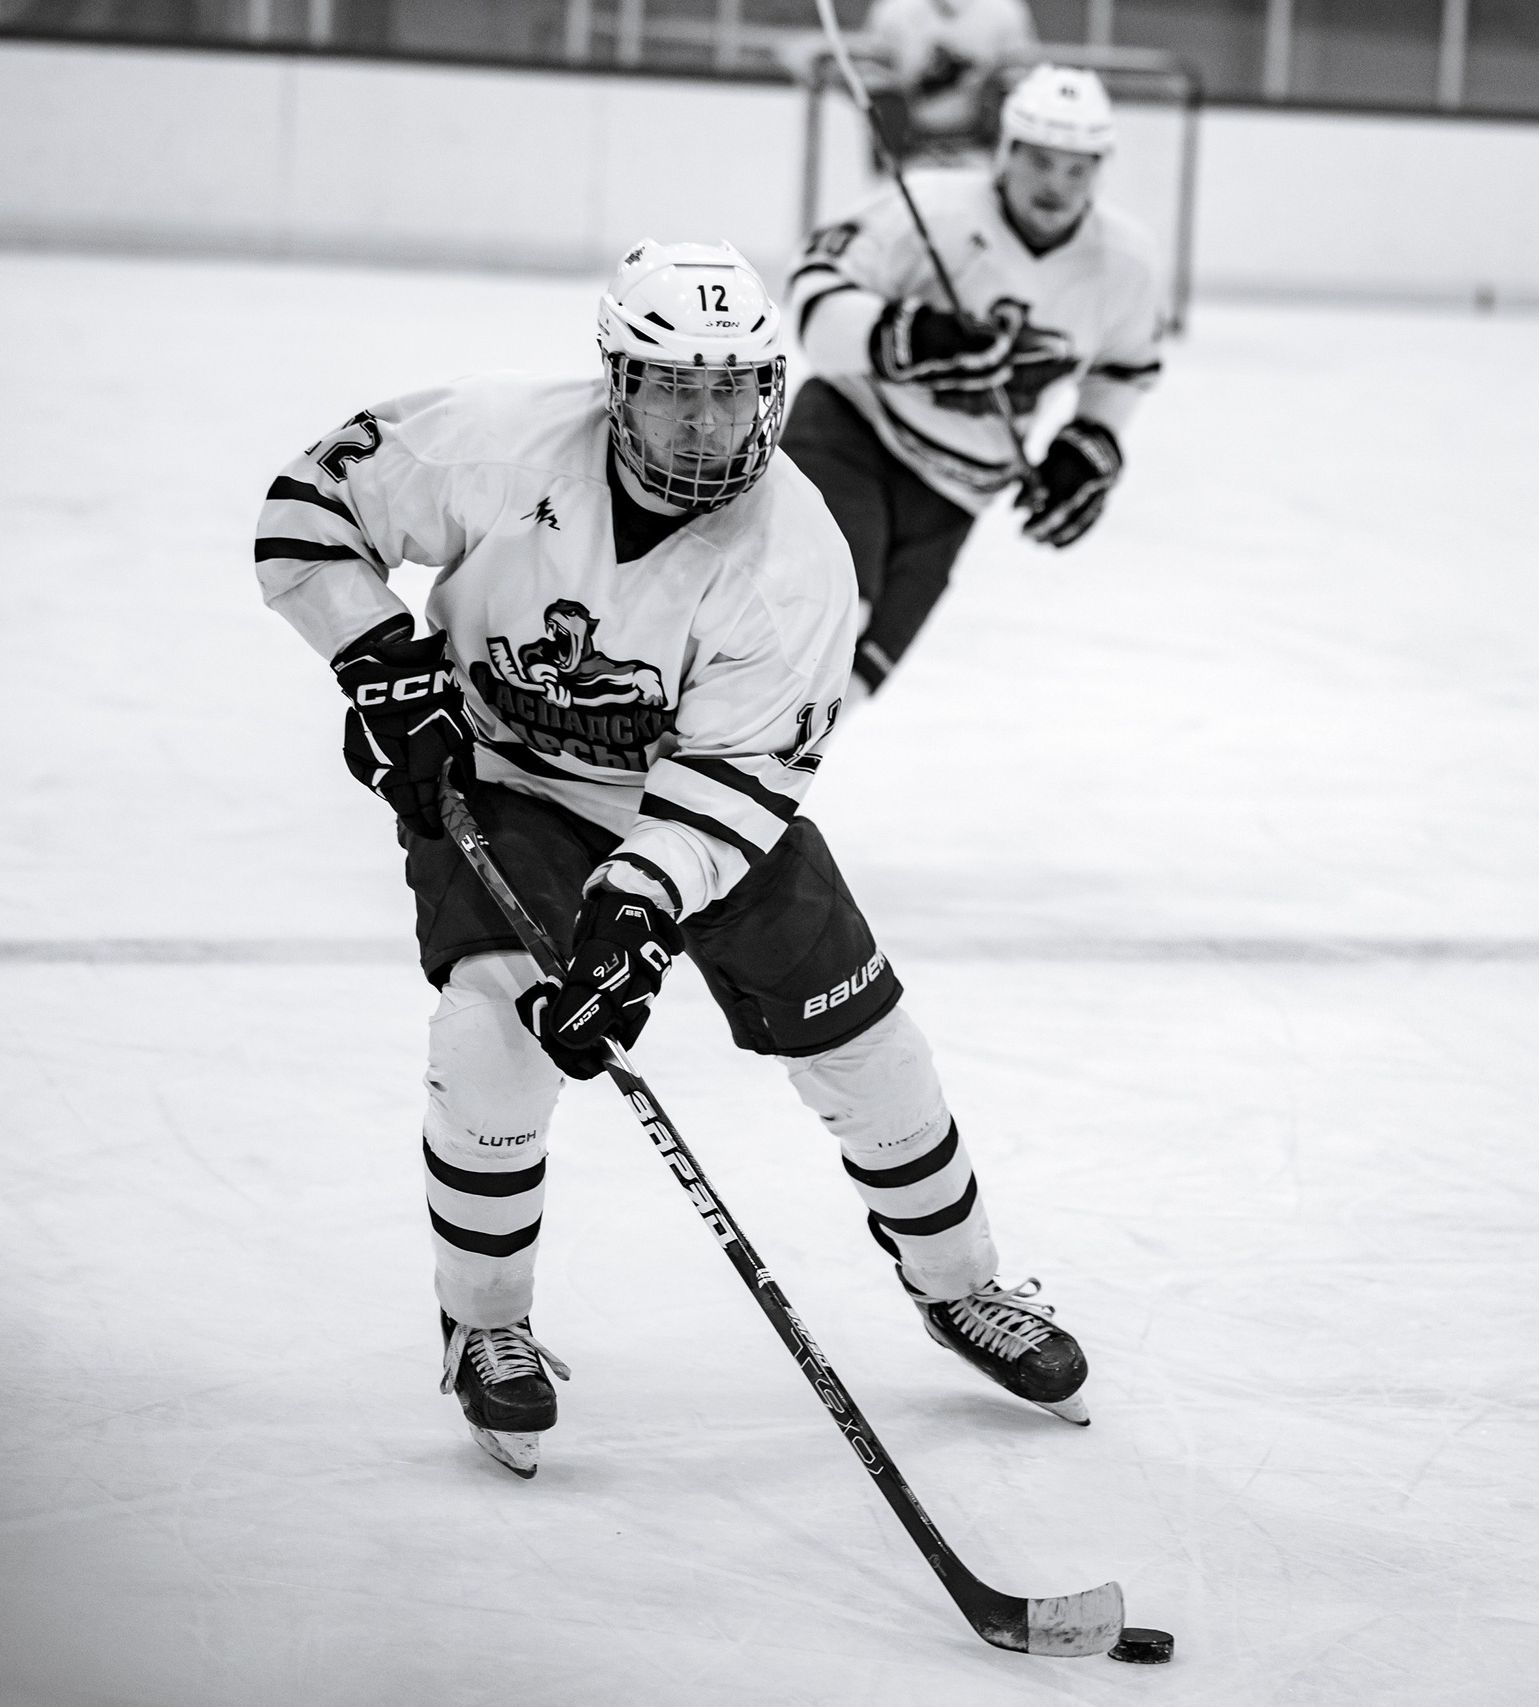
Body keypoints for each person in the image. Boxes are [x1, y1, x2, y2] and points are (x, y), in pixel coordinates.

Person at [251, 240, 1091, 1480]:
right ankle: (487, 1328)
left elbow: (738, 782)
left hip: (694, 810)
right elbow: (307, 507)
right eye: (673, 387)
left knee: (866, 1041)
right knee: (497, 1031)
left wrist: (637, 914)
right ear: (616, 381)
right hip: (509, 782)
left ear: (771, 390)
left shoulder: (798, 557)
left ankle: (962, 1288)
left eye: (732, 388)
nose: (706, 422)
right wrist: (377, 660)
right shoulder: (492, 439)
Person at [782, 64, 1165, 701]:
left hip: (958, 495)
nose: (1056, 187)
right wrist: (899, 335)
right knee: (814, 630)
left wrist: (1091, 438)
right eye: (1041, 161)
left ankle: (756, 799)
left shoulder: (1125, 262)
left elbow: (1123, 366)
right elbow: (813, 299)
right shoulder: (930, 207)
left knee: (855, 681)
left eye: (1078, 169)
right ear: (1006, 152)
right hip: (851, 434)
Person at [861, 0, 1038, 168]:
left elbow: (1021, 88)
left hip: (980, 152)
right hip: (911, 151)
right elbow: (875, 86)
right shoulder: (892, 9)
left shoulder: (1006, 11)